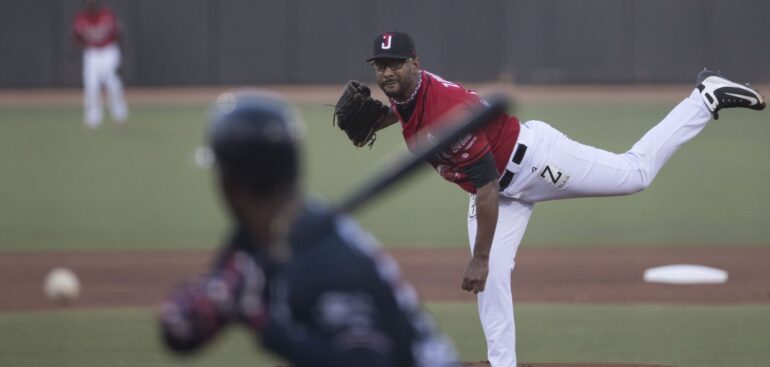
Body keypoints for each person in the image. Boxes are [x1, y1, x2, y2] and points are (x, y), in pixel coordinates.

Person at [356, 30, 766, 366]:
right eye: (381, 65)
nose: (387, 73)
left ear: (416, 63)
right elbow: (409, 108)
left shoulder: (450, 115)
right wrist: (382, 116)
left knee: (635, 174)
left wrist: (479, 257)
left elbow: (485, 188)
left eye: (395, 64)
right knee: (493, 282)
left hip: (534, 164)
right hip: (501, 187)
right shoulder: (405, 90)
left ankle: (704, 97)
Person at [159, 90, 458, 367]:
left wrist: (261, 321)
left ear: (230, 186)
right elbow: (181, 336)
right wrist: (201, 304)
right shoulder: (257, 235)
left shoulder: (329, 262)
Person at [71, 0, 128, 128]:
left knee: (114, 85)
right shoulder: (81, 18)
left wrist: (121, 57)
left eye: (93, 2)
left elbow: (119, 34)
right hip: (92, 52)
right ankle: (92, 120)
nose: (91, 5)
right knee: (91, 86)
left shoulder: (107, 15)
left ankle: (120, 117)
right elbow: (75, 37)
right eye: (88, 3)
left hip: (109, 50)